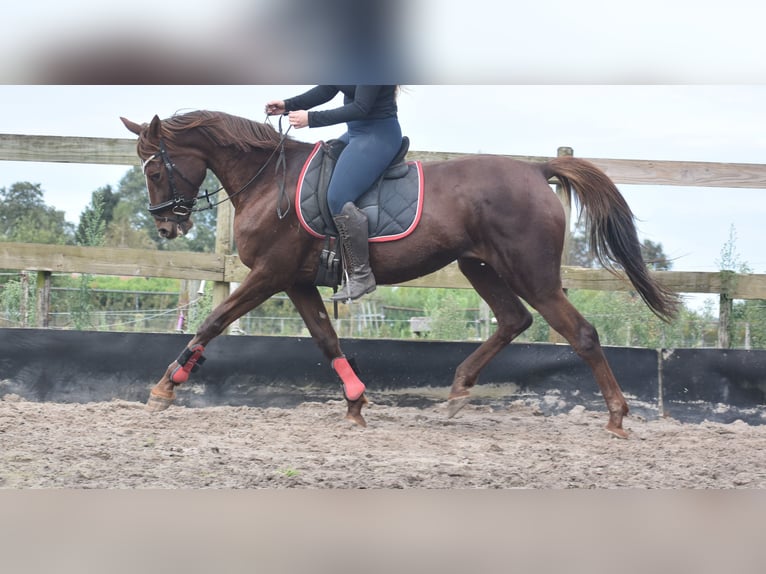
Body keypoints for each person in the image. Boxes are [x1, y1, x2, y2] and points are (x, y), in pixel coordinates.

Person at [265, 85, 402, 302]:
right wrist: (287, 105)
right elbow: (326, 90)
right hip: (356, 134)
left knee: (337, 197)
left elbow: (360, 107)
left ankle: (361, 274)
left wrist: (311, 119)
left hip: (378, 135)